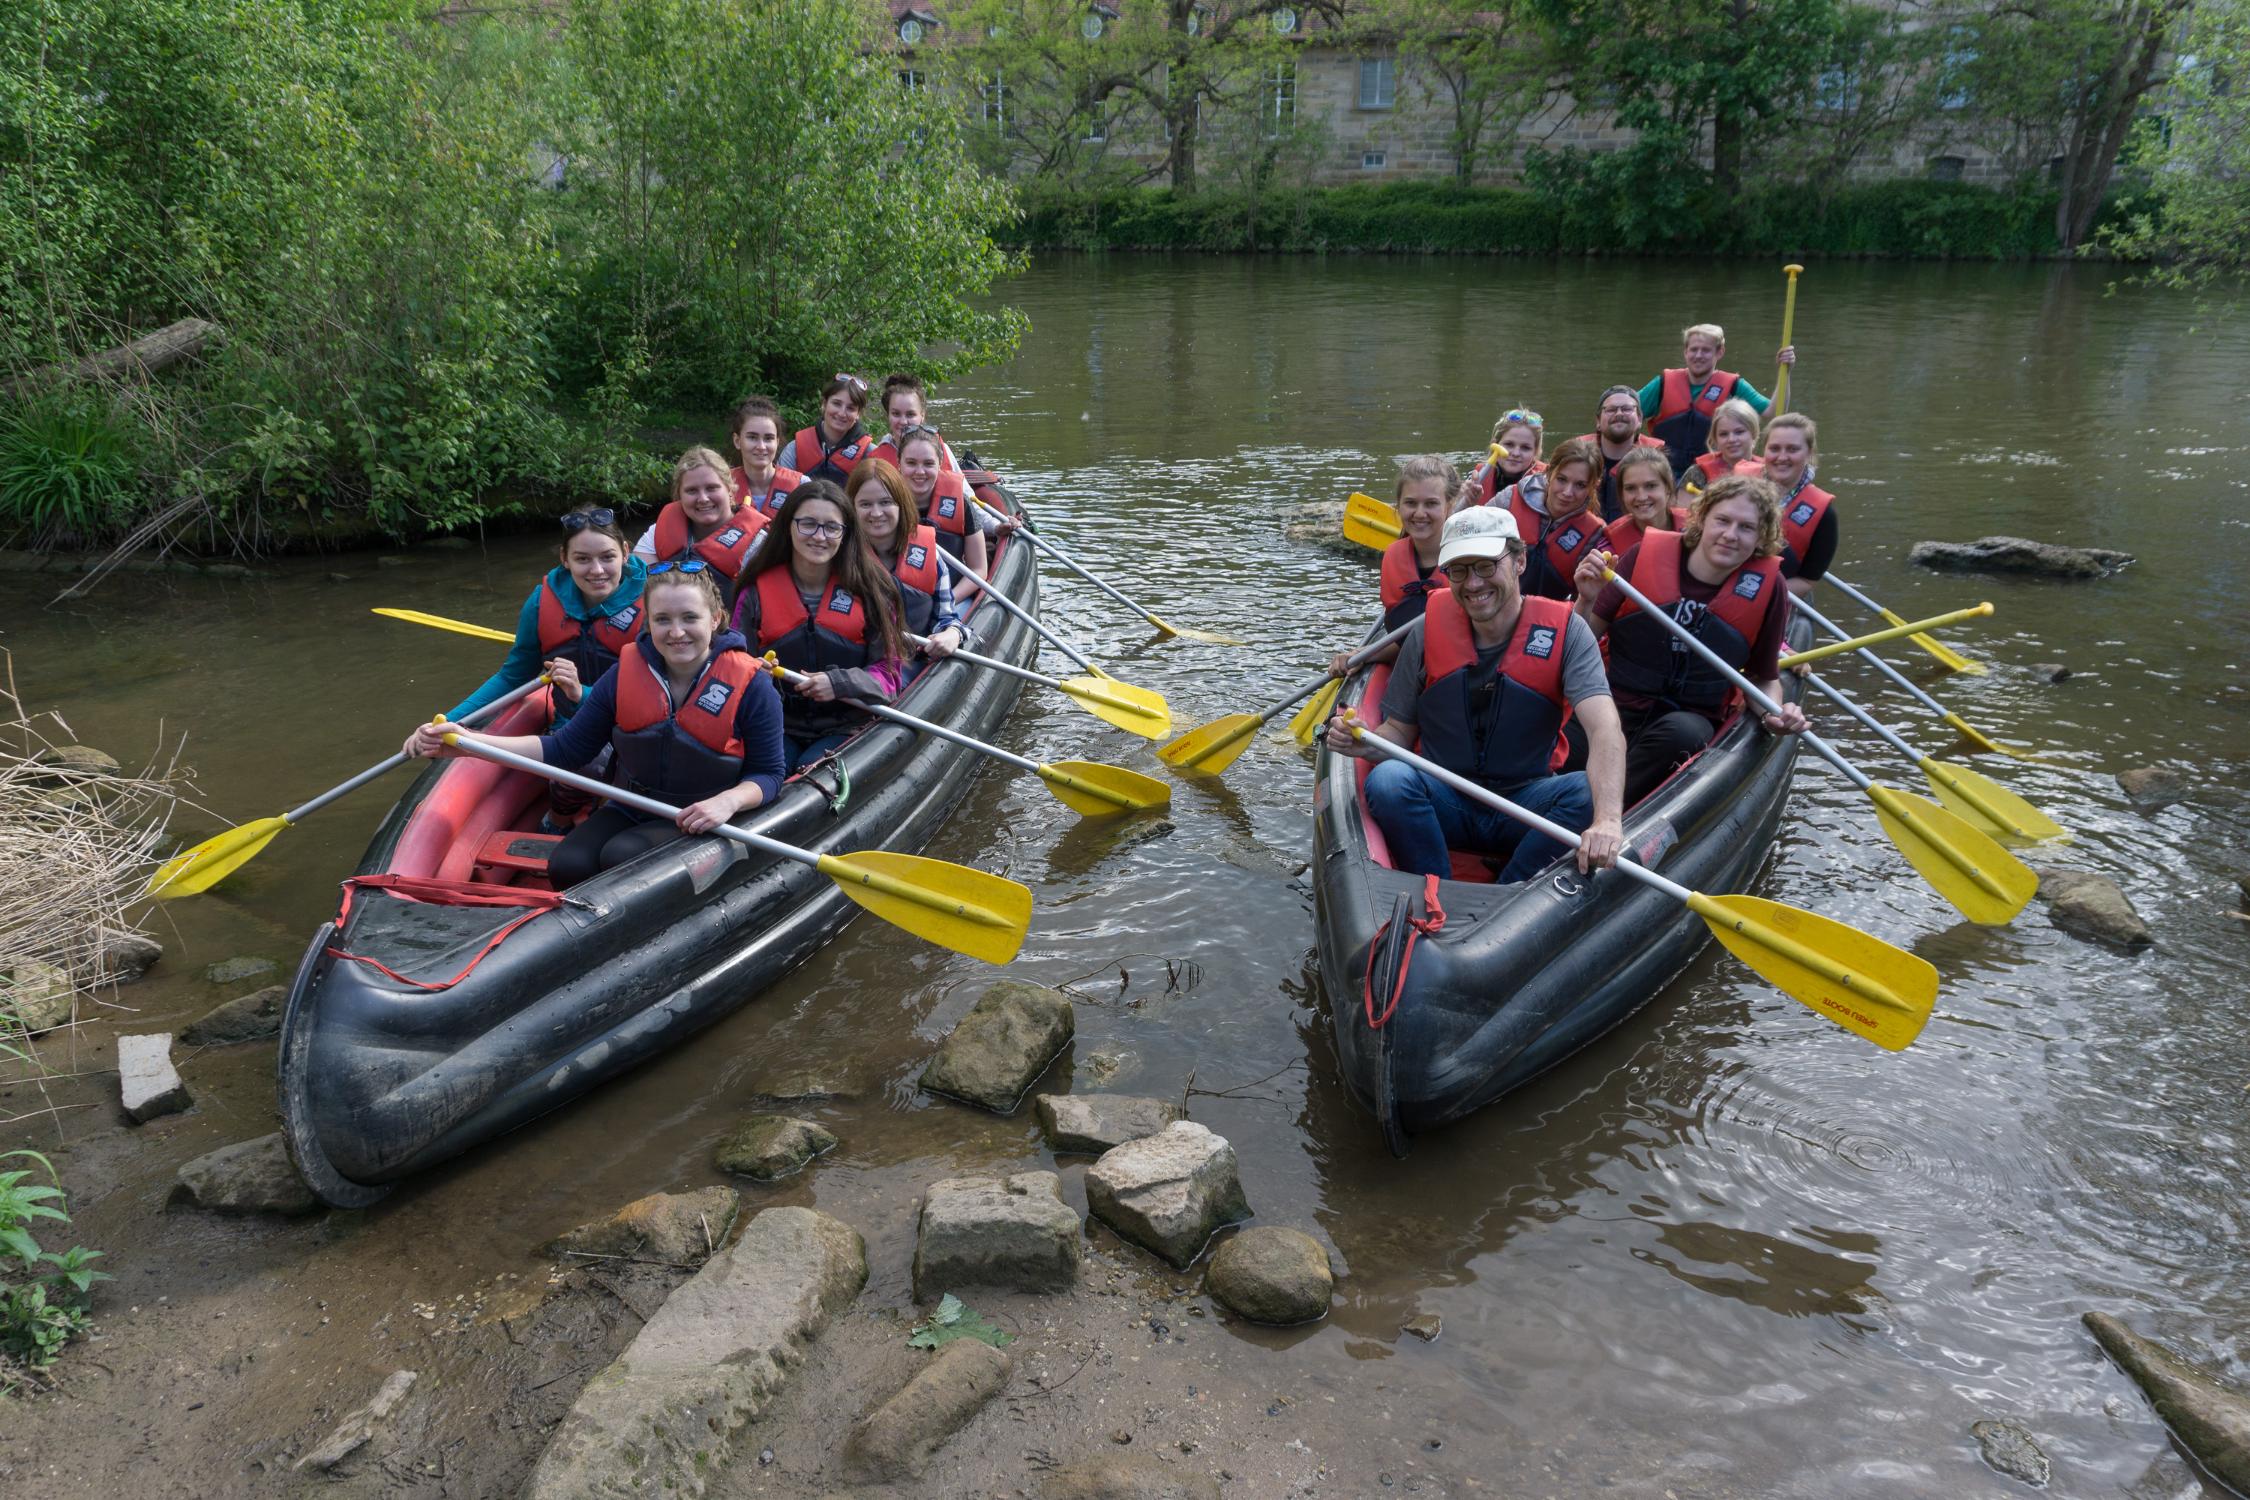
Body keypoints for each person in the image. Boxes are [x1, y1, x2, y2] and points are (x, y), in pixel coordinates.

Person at [404, 564, 785, 888]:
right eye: (662, 619)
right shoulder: (626, 674)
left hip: (702, 813)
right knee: (567, 864)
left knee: (622, 856)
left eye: (690, 618)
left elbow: (769, 775)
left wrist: (727, 802)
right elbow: (566, 749)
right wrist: (473, 743)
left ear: (715, 619)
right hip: (633, 804)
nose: (676, 632)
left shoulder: (753, 684)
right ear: (648, 623)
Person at [1325, 508, 1624, 882]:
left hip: (1524, 803)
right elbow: (1398, 733)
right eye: (1459, 570)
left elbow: (1604, 729)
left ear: (1519, 561)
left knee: (1585, 792)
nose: (1473, 584)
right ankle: (1435, 889)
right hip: (1443, 800)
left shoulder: (1569, 632)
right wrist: (1361, 740)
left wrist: (1608, 822)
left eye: (1485, 566)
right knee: (1388, 781)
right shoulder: (1426, 632)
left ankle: (1511, 891)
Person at [1572, 474, 1810, 805]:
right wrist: (1585, 599)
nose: (1730, 535)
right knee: (1570, 738)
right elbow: (1580, 640)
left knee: (1684, 734)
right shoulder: (1642, 556)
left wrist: (1775, 713)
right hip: (1615, 702)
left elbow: (1763, 678)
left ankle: (1590, 810)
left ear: (1761, 537)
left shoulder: (1770, 589)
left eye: (1746, 527)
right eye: (1722, 521)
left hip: (1686, 722)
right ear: (1702, 519)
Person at [729, 478, 909, 770]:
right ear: (789, 526)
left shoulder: (872, 590)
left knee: (812, 771)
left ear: (845, 533)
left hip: (847, 725)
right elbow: (733, 663)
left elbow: (888, 677)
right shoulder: (754, 591)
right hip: (779, 724)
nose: (819, 536)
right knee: (765, 776)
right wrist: (753, 672)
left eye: (831, 527)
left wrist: (839, 684)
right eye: (808, 524)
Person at [847, 455, 969, 673]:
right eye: (865, 504)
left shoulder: (930, 556)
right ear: (852, 508)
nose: (876, 513)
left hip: (910, 666)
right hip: (856, 668)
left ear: (901, 504)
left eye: (886, 502)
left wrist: (952, 634)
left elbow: (947, 618)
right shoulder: (840, 556)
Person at [1637, 324, 1796, 477]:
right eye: (1694, 349)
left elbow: (1775, 411)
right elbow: (1628, 410)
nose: (1698, 355)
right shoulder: (1663, 384)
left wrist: (1785, 372)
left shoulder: (1734, 386)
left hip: (1710, 474)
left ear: (1719, 352)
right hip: (1663, 471)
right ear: (1685, 352)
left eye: (1706, 350)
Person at [632, 446, 766, 589]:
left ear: (729, 489)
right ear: (679, 495)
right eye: (692, 491)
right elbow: (637, 590)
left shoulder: (758, 543)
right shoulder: (657, 534)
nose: (703, 498)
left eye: (711, 488)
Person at [1493, 436, 1607, 602]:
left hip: (1545, 619)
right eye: (1562, 479)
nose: (1567, 492)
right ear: (1548, 473)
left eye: (1580, 485)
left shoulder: (1595, 535)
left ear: (1593, 486)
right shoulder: (1509, 498)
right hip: (1494, 604)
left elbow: (1584, 601)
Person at [897, 425, 992, 601]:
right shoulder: (885, 505)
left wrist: (946, 601)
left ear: (940, 464)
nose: (920, 472)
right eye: (911, 463)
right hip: (899, 603)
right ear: (899, 463)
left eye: (928, 463)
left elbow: (979, 569)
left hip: (952, 599)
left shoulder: (960, 503)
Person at [1756, 413, 1836, 599]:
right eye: (1774, 448)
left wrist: (1757, 596)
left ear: (1808, 453)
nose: (1782, 457)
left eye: (1792, 449)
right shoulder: (1738, 485)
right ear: (1765, 451)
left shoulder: (1825, 515)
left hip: (1779, 595)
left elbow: (1808, 580)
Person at [1582, 385, 1670, 521]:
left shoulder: (1659, 461)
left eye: (1627, 409)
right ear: (1598, 421)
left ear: (1640, 419)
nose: (1619, 414)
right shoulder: (1577, 457)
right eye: (1611, 410)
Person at [775, 374, 876, 485]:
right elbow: (781, 490)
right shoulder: (795, 449)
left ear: (858, 414)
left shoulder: (870, 454)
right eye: (836, 404)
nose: (842, 413)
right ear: (824, 404)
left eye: (850, 408)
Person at [725, 395, 804, 517]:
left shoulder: (801, 485)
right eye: (752, 437)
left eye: (768, 438)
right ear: (737, 441)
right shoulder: (722, 485)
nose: (761, 446)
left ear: (777, 442)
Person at [865, 374, 961, 472]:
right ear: (887, 416)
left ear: (922, 415)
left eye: (910, 414)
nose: (903, 422)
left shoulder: (942, 449)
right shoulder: (875, 461)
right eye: (896, 414)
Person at [1602, 448, 1689, 557]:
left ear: (1667, 487)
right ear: (1622, 494)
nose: (1641, 497)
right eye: (1631, 488)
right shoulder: (1608, 546)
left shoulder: (1697, 527)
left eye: (1650, 486)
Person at [1682, 398, 1764, 496]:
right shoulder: (1698, 473)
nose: (1731, 439)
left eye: (1739, 432)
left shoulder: (1768, 471)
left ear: (1754, 434)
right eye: (1723, 434)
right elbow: (1682, 508)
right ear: (1716, 439)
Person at [1470, 407, 1545, 505]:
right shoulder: (1477, 477)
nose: (1515, 453)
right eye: (1509, 444)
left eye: (1525, 448)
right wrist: (1466, 500)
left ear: (1535, 452)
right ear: (1495, 444)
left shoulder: (1546, 485)